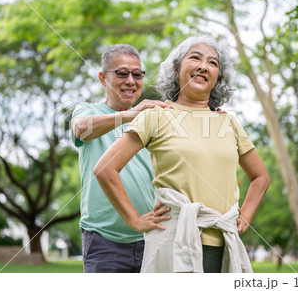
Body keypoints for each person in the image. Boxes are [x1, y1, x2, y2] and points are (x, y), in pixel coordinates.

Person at [94, 36, 270, 273]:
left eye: (213, 63)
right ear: (176, 70)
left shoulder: (228, 122)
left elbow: (261, 178)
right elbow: (105, 169)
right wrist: (135, 220)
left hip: (224, 247)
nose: (203, 66)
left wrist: (245, 216)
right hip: (173, 244)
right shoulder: (156, 115)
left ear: (218, 78)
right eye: (195, 58)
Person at [71, 44, 171, 273]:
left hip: (151, 238)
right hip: (104, 243)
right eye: (122, 73)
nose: (130, 81)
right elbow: (82, 129)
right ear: (102, 78)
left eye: (137, 74)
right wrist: (130, 116)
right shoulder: (86, 110)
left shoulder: (149, 119)